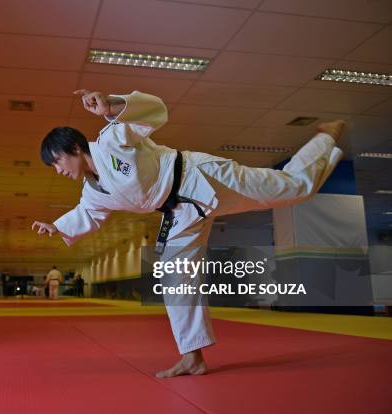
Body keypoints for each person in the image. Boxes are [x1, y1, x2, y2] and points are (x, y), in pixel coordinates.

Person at [31, 89, 344, 378]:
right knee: (174, 276)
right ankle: (193, 357)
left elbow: (154, 110)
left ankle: (325, 140)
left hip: (201, 177)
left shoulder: (112, 139)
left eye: (57, 162)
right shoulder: (94, 191)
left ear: (73, 147)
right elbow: (87, 214)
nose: (58, 170)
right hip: (180, 211)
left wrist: (112, 105)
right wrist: (57, 226)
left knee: (290, 190)